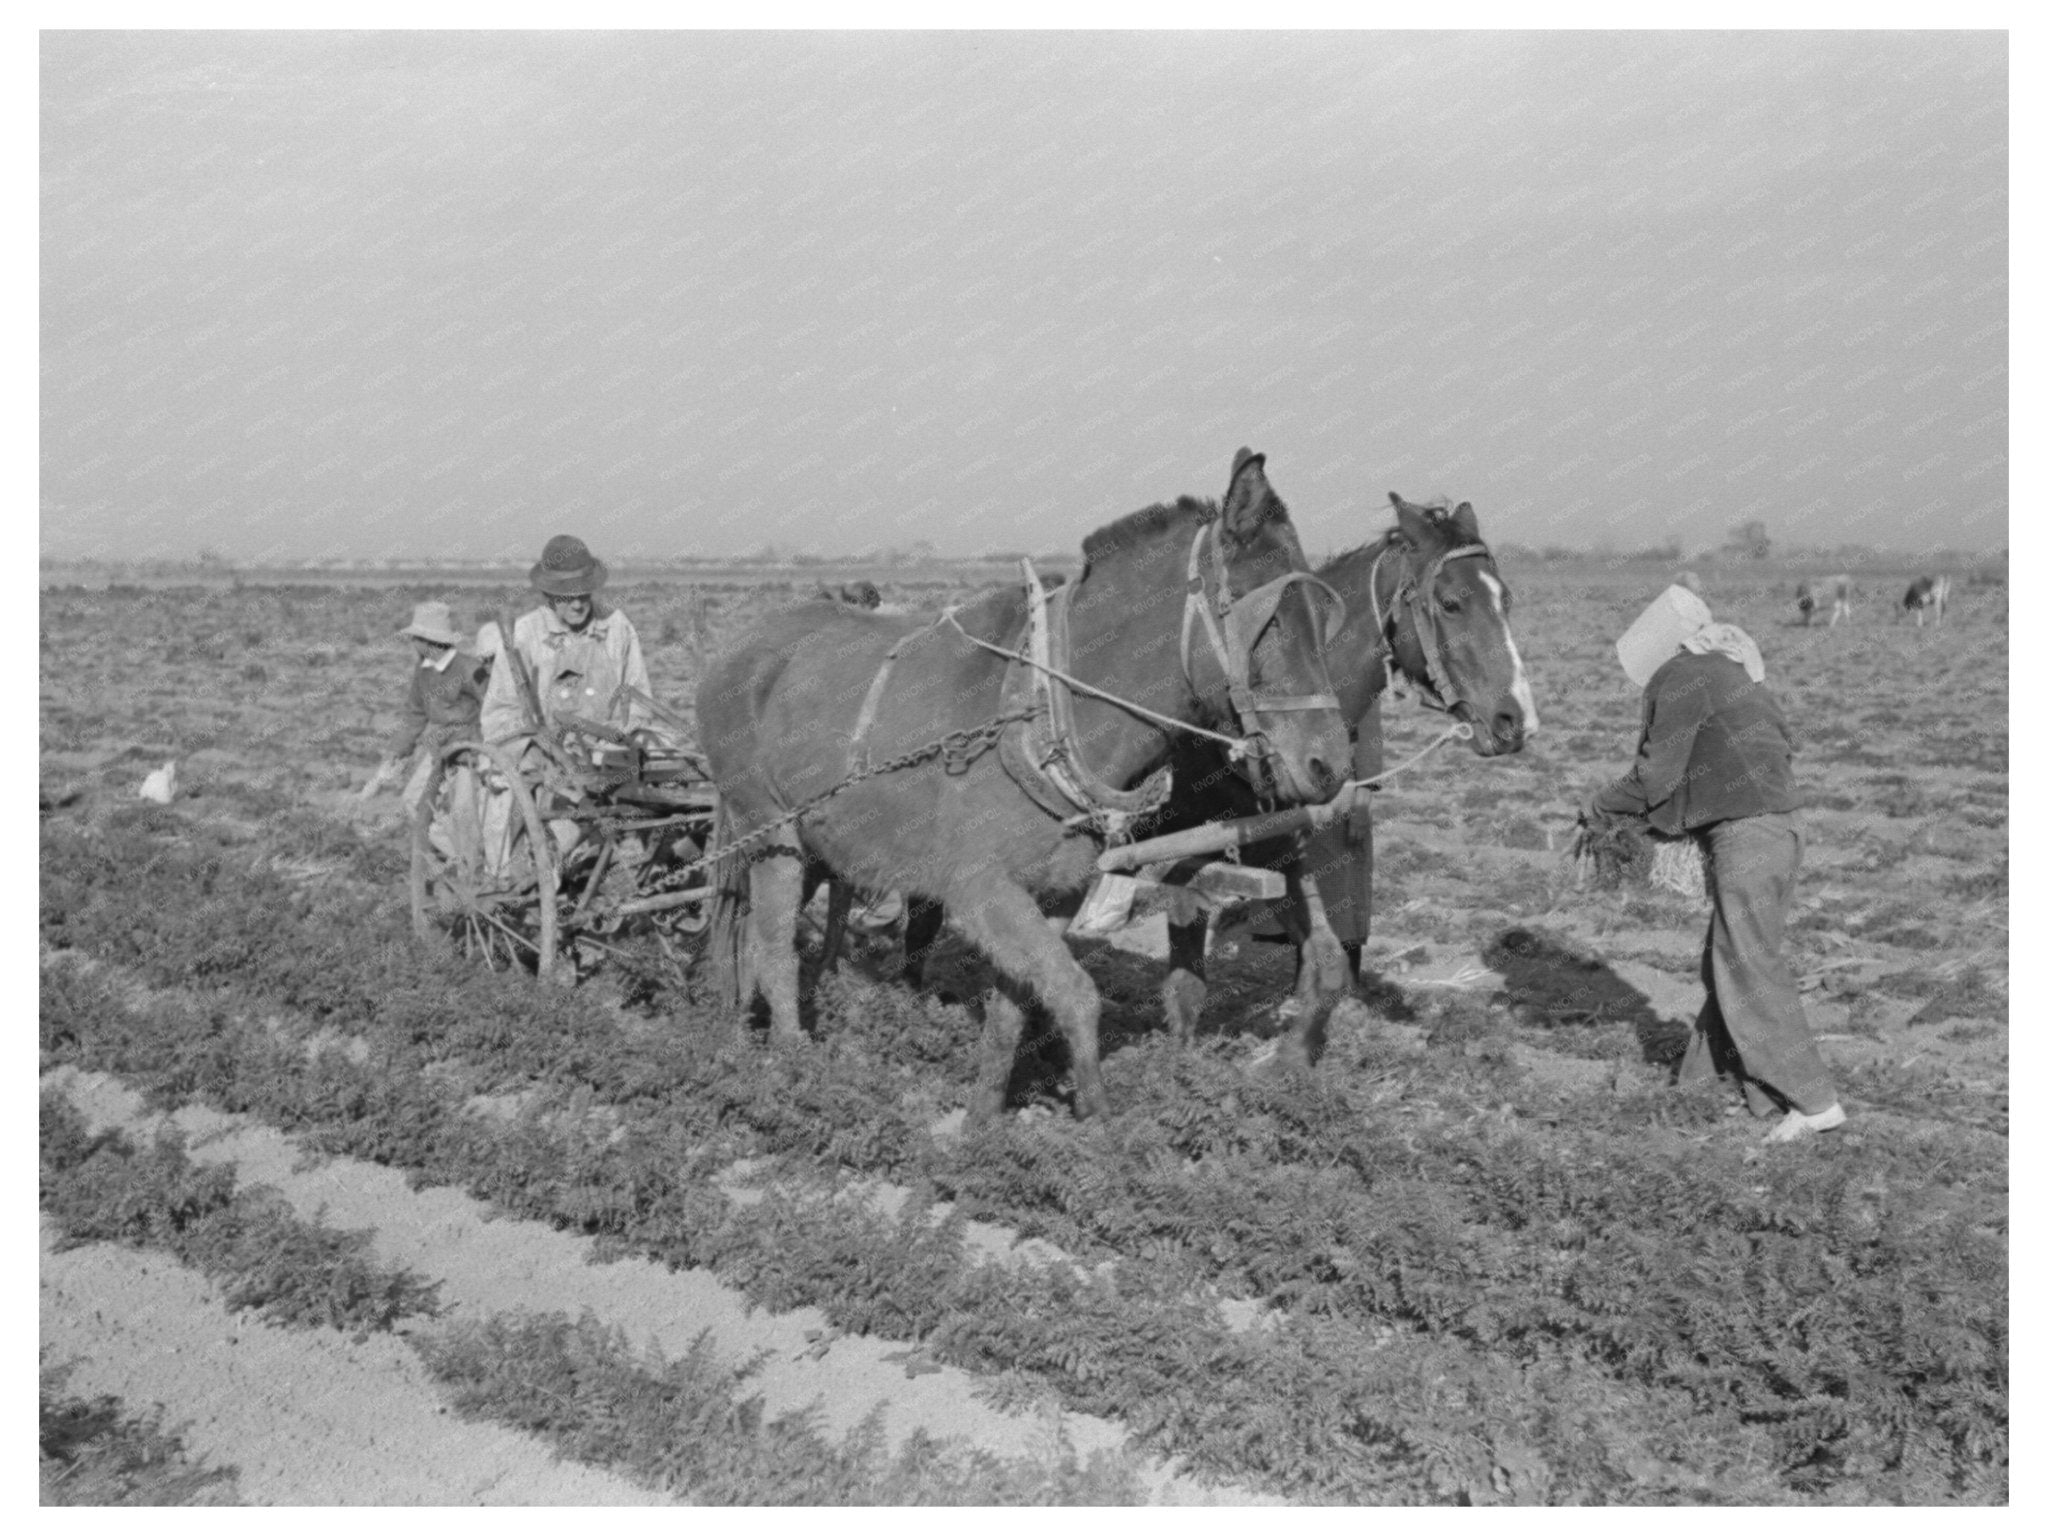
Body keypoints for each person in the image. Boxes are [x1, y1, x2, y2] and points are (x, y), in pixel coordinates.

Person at [1582, 584, 1846, 1144]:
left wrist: (1600, 808)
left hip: (1747, 836)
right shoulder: (1733, 671)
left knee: (1747, 964)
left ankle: (1814, 1100)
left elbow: (1655, 776)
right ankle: (1706, 1081)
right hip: (1782, 828)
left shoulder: (1680, 675)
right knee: (1728, 959)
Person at [479, 534, 656, 745]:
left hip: (611, 748)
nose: (577, 605)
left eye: (583, 595)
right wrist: (532, 748)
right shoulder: (524, 635)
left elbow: (639, 698)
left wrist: (624, 733)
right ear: (548, 593)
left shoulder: (616, 626)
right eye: (567, 597)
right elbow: (500, 714)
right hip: (546, 752)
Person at [361, 600, 491, 819]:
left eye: (415, 638)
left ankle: (457, 839)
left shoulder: (469, 668)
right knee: (413, 801)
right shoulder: (423, 671)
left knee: (464, 812)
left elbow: (490, 708)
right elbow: (414, 715)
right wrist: (396, 752)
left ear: (428, 641)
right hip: (438, 747)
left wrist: (483, 752)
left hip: (470, 750)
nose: (412, 642)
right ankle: (435, 839)